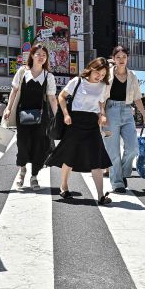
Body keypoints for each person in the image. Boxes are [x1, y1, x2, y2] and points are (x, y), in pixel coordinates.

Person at [46, 57, 113, 204]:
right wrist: (65, 114)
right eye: (98, 73)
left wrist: (102, 115)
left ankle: (101, 195)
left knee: (96, 159)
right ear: (91, 68)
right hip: (75, 122)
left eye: (103, 75)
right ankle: (64, 186)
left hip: (92, 124)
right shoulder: (77, 81)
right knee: (69, 157)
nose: (100, 77)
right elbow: (61, 97)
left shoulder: (102, 86)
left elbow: (101, 102)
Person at [4, 44, 58, 190]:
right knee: (22, 144)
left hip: (41, 117)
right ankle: (22, 171)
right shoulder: (22, 72)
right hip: (23, 115)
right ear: (32, 55)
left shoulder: (48, 76)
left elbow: (52, 98)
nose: (41, 57)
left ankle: (34, 176)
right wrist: (8, 109)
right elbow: (14, 92)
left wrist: (58, 116)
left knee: (39, 146)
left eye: (44, 55)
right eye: (38, 54)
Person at [103, 46, 145, 194]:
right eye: (118, 57)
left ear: (127, 58)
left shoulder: (132, 76)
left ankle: (122, 172)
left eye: (124, 57)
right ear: (114, 59)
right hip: (110, 110)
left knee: (133, 148)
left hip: (127, 111)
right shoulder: (107, 75)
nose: (121, 60)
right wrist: (102, 115)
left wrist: (144, 114)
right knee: (113, 151)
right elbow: (102, 98)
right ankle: (117, 183)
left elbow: (137, 97)